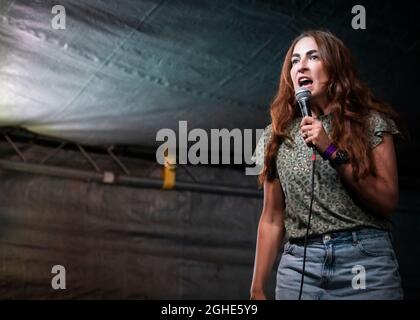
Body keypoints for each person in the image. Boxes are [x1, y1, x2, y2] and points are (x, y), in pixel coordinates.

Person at [249, 30, 405, 300]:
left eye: (313, 57)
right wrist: (257, 287)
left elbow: (386, 200)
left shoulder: (371, 123)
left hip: (364, 261)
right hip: (300, 266)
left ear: (335, 68)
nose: (302, 66)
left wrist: (330, 149)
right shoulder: (276, 135)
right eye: (295, 61)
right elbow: (272, 218)